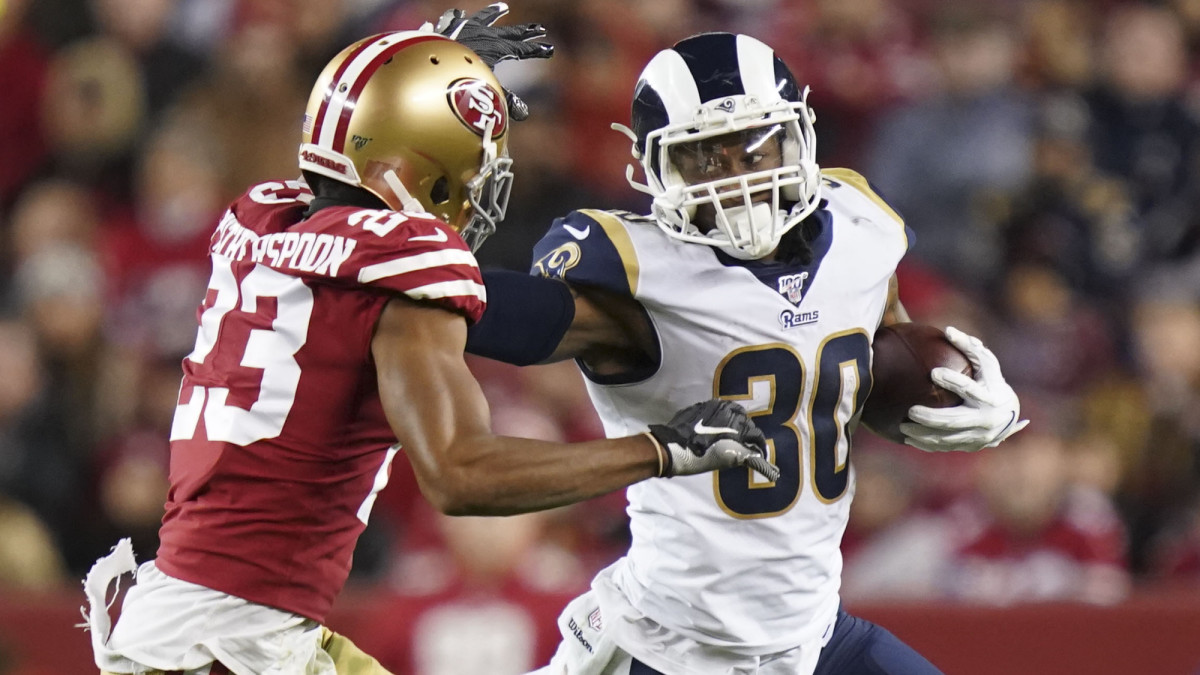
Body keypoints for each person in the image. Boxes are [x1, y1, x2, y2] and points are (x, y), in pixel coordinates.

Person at [80, 11, 778, 675]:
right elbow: (460, 472)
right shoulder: (402, 268)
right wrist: (659, 450)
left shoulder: (263, 216)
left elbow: (350, 151)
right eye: (469, 165)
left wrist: (418, 68)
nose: (478, 188)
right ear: (419, 168)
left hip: (209, 619)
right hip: (229, 643)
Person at [464, 32, 1028, 674]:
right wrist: (393, 259)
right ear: (654, 168)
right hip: (672, 648)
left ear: (800, 135)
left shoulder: (859, 230)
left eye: (755, 148)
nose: (739, 179)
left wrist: (961, 398)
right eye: (705, 159)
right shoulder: (636, 276)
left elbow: (873, 354)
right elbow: (499, 316)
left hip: (815, 635)